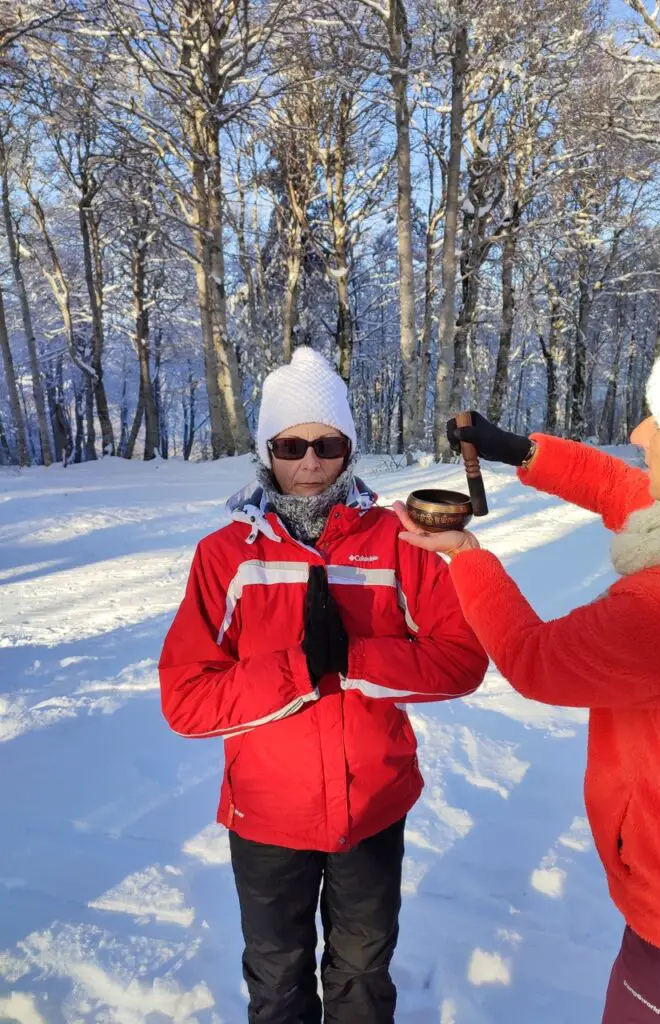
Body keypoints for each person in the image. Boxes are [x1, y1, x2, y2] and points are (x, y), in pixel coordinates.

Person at [395, 324, 660, 1023]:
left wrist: (466, 555)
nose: (637, 430)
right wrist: (521, 451)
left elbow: (538, 661)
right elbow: (628, 492)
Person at [159, 346, 488, 1024]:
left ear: (349, 448)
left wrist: (358, 658)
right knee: (277, 977)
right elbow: (185, 700)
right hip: (267, 811)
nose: (309, 461)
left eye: (327, 444)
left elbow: (461, 660)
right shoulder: (226, 555)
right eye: (290, 444)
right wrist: (297, 669)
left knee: (363, 971)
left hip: (372, 804)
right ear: (265, 451)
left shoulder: (399, 542)